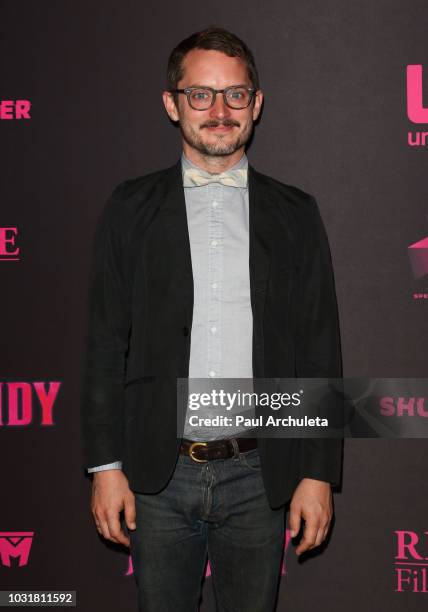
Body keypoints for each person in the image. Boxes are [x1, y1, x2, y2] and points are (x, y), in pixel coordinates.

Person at [80, 25, 343, 612]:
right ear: (173, 104)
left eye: (235, 94)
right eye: (201, 94)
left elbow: (319, 349)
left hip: (260, 472)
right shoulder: (130, 207)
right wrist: (105, 467)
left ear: (257, 104)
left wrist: (317, 474)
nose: (220, 110)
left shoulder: (297, 213)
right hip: (156, 474)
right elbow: (104, 344)